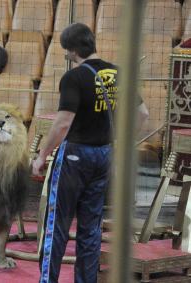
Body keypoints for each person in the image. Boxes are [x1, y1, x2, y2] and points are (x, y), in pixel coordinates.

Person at [32, 23, 149, 283]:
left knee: (57, 225)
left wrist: (41, 156)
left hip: (75, 156)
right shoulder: (119, 73)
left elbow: (62, 124)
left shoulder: (73, 78)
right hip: (105, 155)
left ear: (72, 51)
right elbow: (143, 114)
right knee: (91, 227)